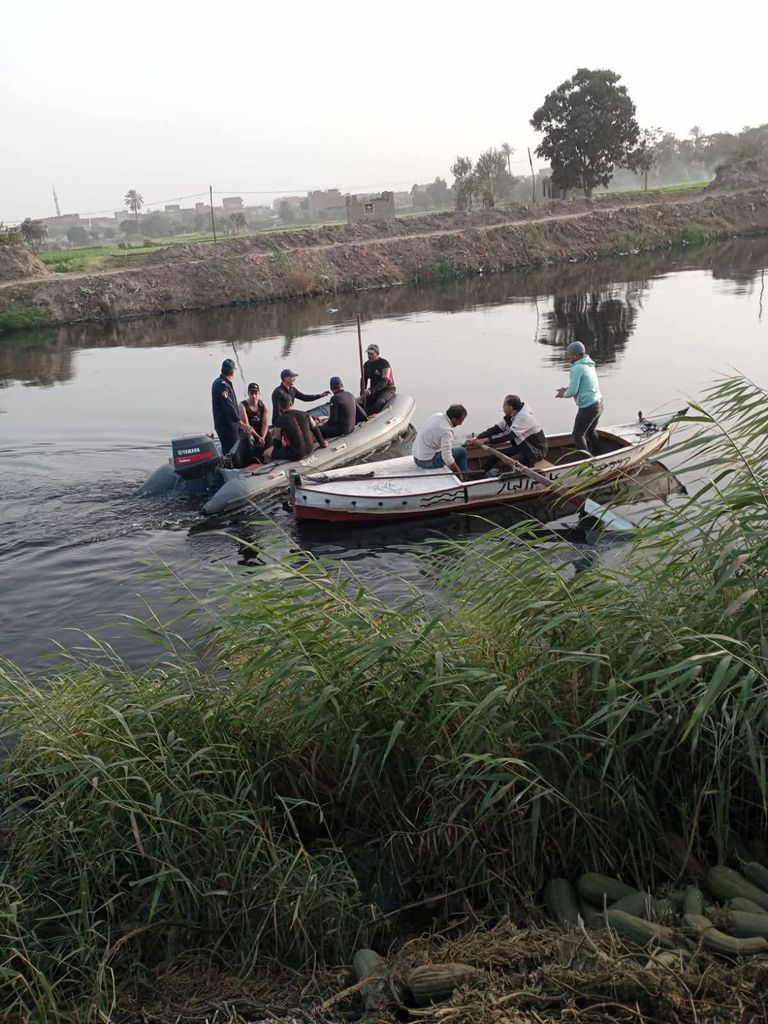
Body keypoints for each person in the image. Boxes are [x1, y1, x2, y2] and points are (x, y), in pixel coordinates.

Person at [466, 395, 547, 474]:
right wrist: (476, 438)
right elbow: (495, 429)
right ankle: (478, 475)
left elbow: (508, 435)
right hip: (522, 447)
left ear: (510, 407)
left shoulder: (524, 418)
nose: (502, 407)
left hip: (535, 451)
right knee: (496, 455)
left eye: (504, 405)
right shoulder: (511, 416)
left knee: (510, 461)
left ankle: (507, 477)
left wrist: (485, 440)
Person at [556, 341, 603, 456]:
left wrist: (563, 394)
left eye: (570, 355)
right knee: (591, 431)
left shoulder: (577, 368)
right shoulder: (588, 364)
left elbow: (572, 391)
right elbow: (582, 386)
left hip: (588, 407)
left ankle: (586, 462)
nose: (568, 357)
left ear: (577, 355)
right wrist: (566, 389)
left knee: (577, 434)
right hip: (599, 403)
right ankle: (598, 454)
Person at [412, 404, 468, 481]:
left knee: (453, 451)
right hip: (426, 462)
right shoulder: (447, 431)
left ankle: (464, 472)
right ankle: (465, 479)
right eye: (461, 421)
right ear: (454, 419)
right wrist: (459, 474)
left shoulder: (436, 415)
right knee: (462, 452)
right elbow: (447, 458)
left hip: (416, 457)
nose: (461, 424)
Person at [272, 394, 327, 462]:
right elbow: (316, 430)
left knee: (270, 453)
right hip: (310, 449)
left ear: (280, 407)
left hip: (296, 454)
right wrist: (322, 443)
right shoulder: (305, 414)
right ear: (291, 403)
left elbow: (277, 442)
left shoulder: (279, 422)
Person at [211, 358, 241, 455]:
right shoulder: (223, 386)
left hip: (225, 424)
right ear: (232, 372)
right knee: (231, 449)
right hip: (227, 425)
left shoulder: (219, 382)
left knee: (230, 447)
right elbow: (229, 406)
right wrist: (239, 421)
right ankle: (230, 467)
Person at [239, 383, 272, 463]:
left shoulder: (263, 406)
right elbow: (246, 424)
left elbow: (265, 424)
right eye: (251, 393)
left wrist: (263, 437)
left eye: (255, 393)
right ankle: (252, 460)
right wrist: (257, 437)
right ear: (248, 394)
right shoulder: (242, 405)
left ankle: (268, 457)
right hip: (249, 430)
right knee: (249, 438)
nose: (254, 396)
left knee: (269, 436)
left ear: (259, 394)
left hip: (260, 429)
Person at [361, 343, 396, 414]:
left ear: (377, 353)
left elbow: (384, 381)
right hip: (374, 390)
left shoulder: (384, 364)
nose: (369, 356)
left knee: (379, 402)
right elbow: (363, 380)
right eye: (368, 353)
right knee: (361, 402)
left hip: (387, 389)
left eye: (371, 354)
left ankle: (372, 416)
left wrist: (371, 390)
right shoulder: (366, 365)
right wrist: (362, 392)